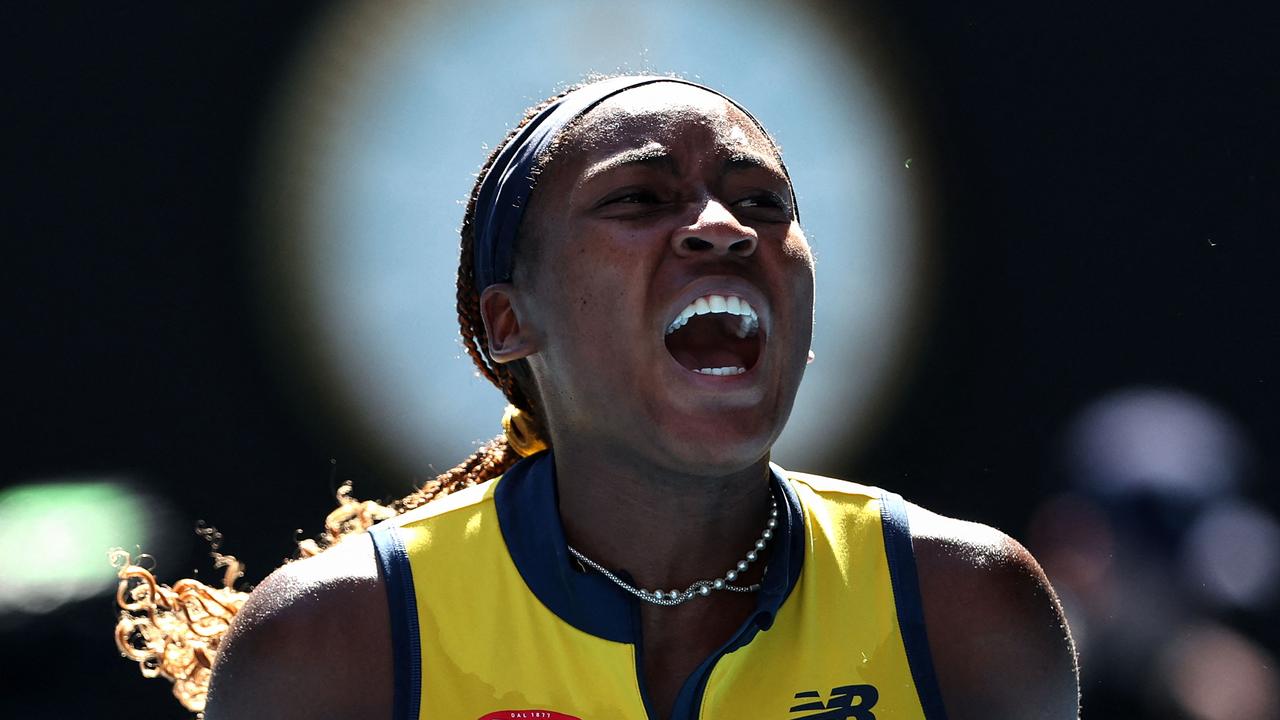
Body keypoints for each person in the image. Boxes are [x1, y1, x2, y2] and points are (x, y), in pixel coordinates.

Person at [122, 75, 1079, 720]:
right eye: (640, 199)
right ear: (508, 323)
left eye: (764, 204)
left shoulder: (967, 613)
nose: (722, 227)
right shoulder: (334, 645)